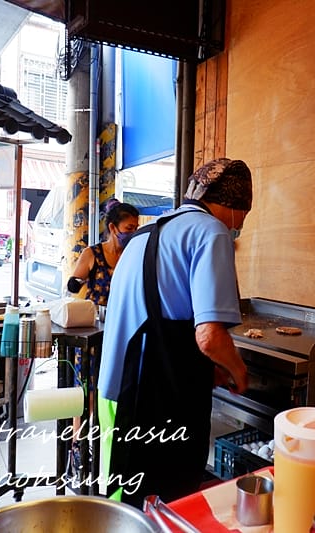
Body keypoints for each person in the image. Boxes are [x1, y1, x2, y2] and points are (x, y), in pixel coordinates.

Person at [97, 158, 252, 507]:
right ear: (232, 205)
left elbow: (158, 312)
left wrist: (204, 368)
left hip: (116, 394)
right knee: (166, 507)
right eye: (244, 214)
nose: (241, 224)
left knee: (126, 506)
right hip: (154, 402)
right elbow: (209, 336)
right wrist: (237, 371)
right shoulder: (212, 232)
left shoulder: (145, 234)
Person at [65, 199, 139, 479]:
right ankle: (78, 447)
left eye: (135, 227)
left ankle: (109, 445)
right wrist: (76, 282)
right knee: (86, 392)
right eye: (128, 227)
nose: (132, 232)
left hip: (123, 331)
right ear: (112, 227)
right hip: (95, 332)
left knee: (115, 391)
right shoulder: (92, 254)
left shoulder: (132, 253)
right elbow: (73, 285)